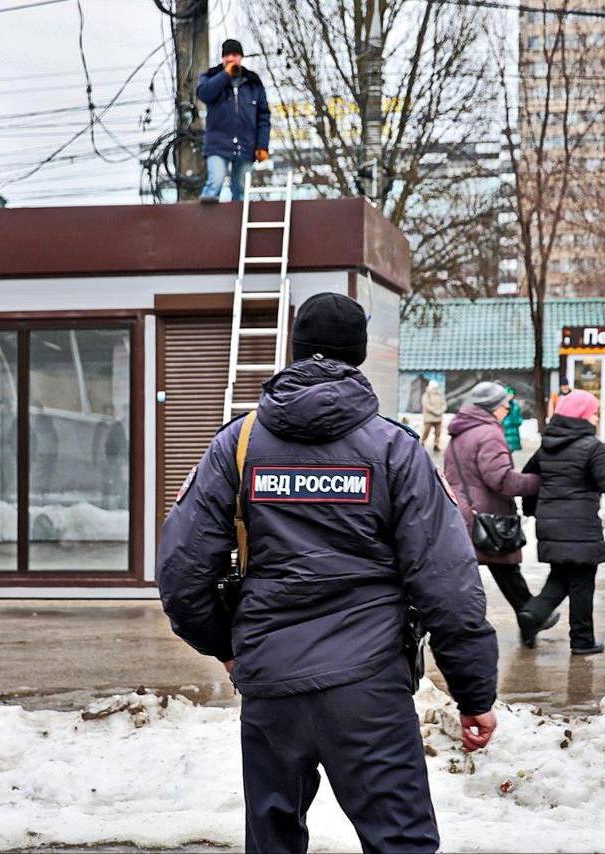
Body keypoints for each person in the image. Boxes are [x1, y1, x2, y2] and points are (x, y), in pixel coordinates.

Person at [157, 293, 498, 854]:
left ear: (295, 350)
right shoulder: (394, 449)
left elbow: (181, 571)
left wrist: (226, 644)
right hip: (370, 685)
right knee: (401, 843)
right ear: (358, 355)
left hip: (270, 682)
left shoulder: (238, 445)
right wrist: (473, 692)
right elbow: (448, 584)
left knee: (274, 843)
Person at [518, 390, 605, 655]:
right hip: (579, 526)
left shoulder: (547, 445)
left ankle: (532, 614)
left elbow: (529, 480)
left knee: (560, 578)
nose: (596, 415)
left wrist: (532, 510)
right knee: (581, 584)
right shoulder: (592, 447)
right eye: (593, 411)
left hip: (552, 525)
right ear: (581, 415)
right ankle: (582, 641)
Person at [445, 382, 557, 642]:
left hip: (462, 512)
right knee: (504, 569)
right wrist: (538, 482)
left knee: (491, 571)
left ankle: (529, 619)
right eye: (504, 404)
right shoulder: (488, 434)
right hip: (488, 514)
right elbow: (502, 480)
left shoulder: (460, 432)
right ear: (493, 408)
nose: (507, 409)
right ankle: (528, 617)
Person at [196, 39, 271, 203]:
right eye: (227, 55)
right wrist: (225, 75)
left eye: (234, 55)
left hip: (246, 145)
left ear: (241, 57)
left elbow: (263, 117)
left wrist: (262, 145)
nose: (231, 58)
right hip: (218, 144)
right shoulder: (211, 76)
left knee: (241, 189)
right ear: (222, 58)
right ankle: (205, 224)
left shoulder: (253, 82)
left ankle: (237, 226)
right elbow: (204, 94)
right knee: (214, 184)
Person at [420, 379, 446, 452]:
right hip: (429, 418)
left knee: (438, 433)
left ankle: (436, 445)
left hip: (438, 418)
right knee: (426, 431)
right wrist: (435, 411)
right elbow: (426, 405)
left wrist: (441, 410)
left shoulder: (440, 394)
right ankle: (422, 442)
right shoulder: (426, 395)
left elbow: (444, 404)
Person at [503, 386, 524, 452]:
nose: (511, 396)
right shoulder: (501, 405)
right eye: (509, 395)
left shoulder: (515, 405)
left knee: (510, 450)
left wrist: (518, 421)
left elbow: (519, 417)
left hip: (513, 430)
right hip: (505, 430)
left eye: (512, 395)